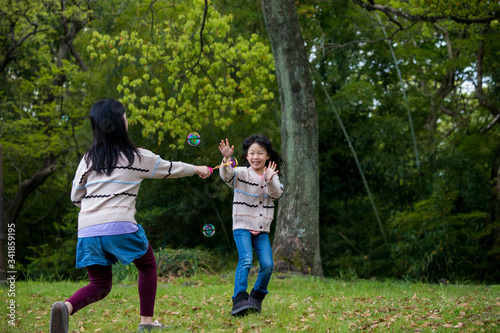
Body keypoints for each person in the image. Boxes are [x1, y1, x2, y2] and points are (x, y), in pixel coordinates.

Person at [49, 99, 211, 333]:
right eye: (124, 116)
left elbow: (76, 196)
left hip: (87, 230)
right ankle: (146, 323)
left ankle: (65, 308)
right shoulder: (137, 157)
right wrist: (197, 169)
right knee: (146, 265)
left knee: (99, 285)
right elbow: (170, 168)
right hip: (120, 226)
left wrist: (94, 210)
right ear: (118, 123)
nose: (127, 119)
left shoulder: (88, 159)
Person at [218, 134, 284, 316]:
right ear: (247, 156)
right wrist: (226, 158)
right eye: (252, 153)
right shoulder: (240, 173)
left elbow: (277, 195)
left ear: (268, 155)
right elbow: (226, 175)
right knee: (246, 259)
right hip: (242, 225)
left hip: (262, 229)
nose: (256, 157)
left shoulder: (272, 176)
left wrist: (270, 180)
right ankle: (239, 299)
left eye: (260, 153)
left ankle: (256, 298)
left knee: (268, 265)